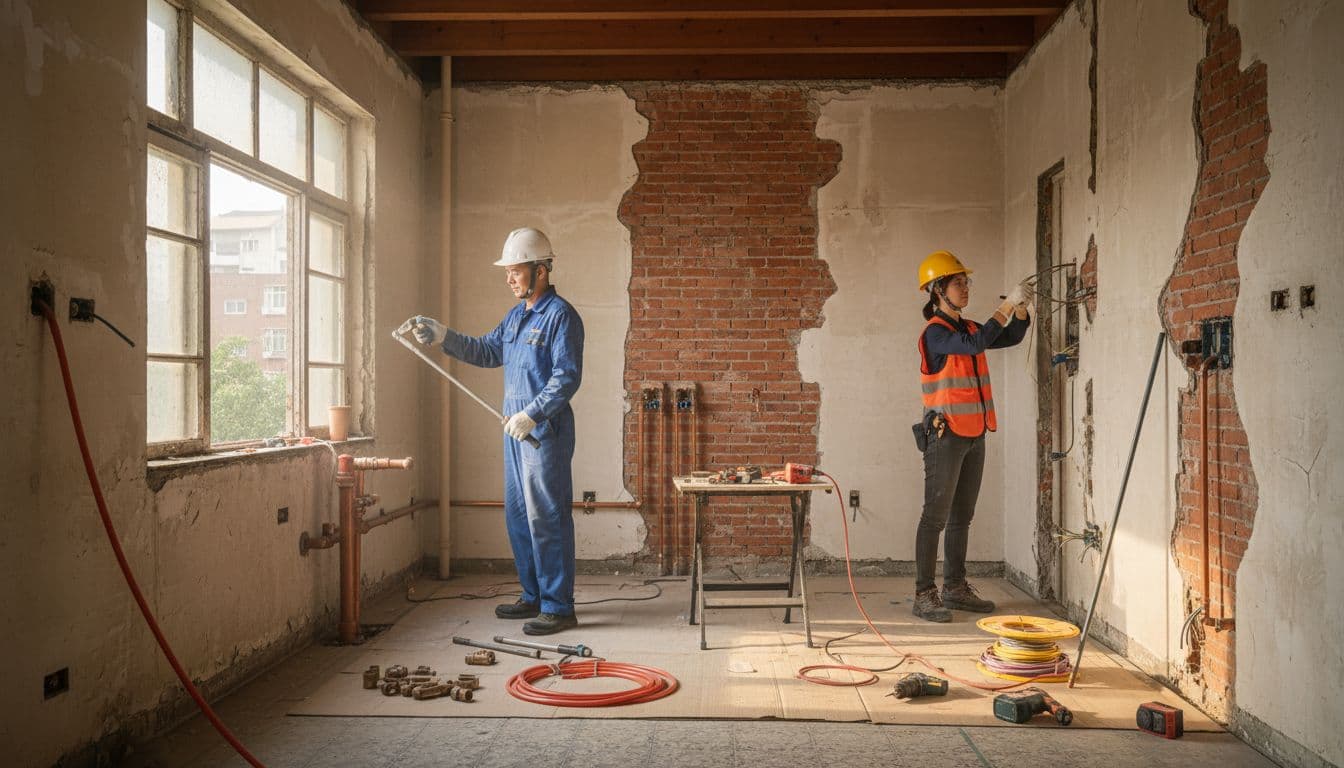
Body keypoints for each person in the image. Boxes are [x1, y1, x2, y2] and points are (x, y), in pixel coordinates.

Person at [409, 228, 584, 635]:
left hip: (543, 431)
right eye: (506, 271)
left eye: (515, 270)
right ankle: (534, 596)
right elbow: (488, 350)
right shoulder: (516, 317)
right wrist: (443, 336)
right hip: (513, 428)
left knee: (547, 517)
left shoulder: (560, 316)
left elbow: (566, 377)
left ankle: (559, 606)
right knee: (519, 515)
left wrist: (534, 414)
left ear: (541, 271)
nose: (508, 278)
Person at [912, 250, 1031, 623]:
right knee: (935, 516)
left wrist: (1022, 311)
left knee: (963, 516)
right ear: (937, 291)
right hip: (945, 437)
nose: (965, 288)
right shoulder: (936, 334)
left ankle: (955, 587)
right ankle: (924, 594)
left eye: (966, 282)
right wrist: (1007, 304)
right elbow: (976, 345)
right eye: (958, 282)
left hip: (975, 433)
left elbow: (1007, 337)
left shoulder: (968, 329)